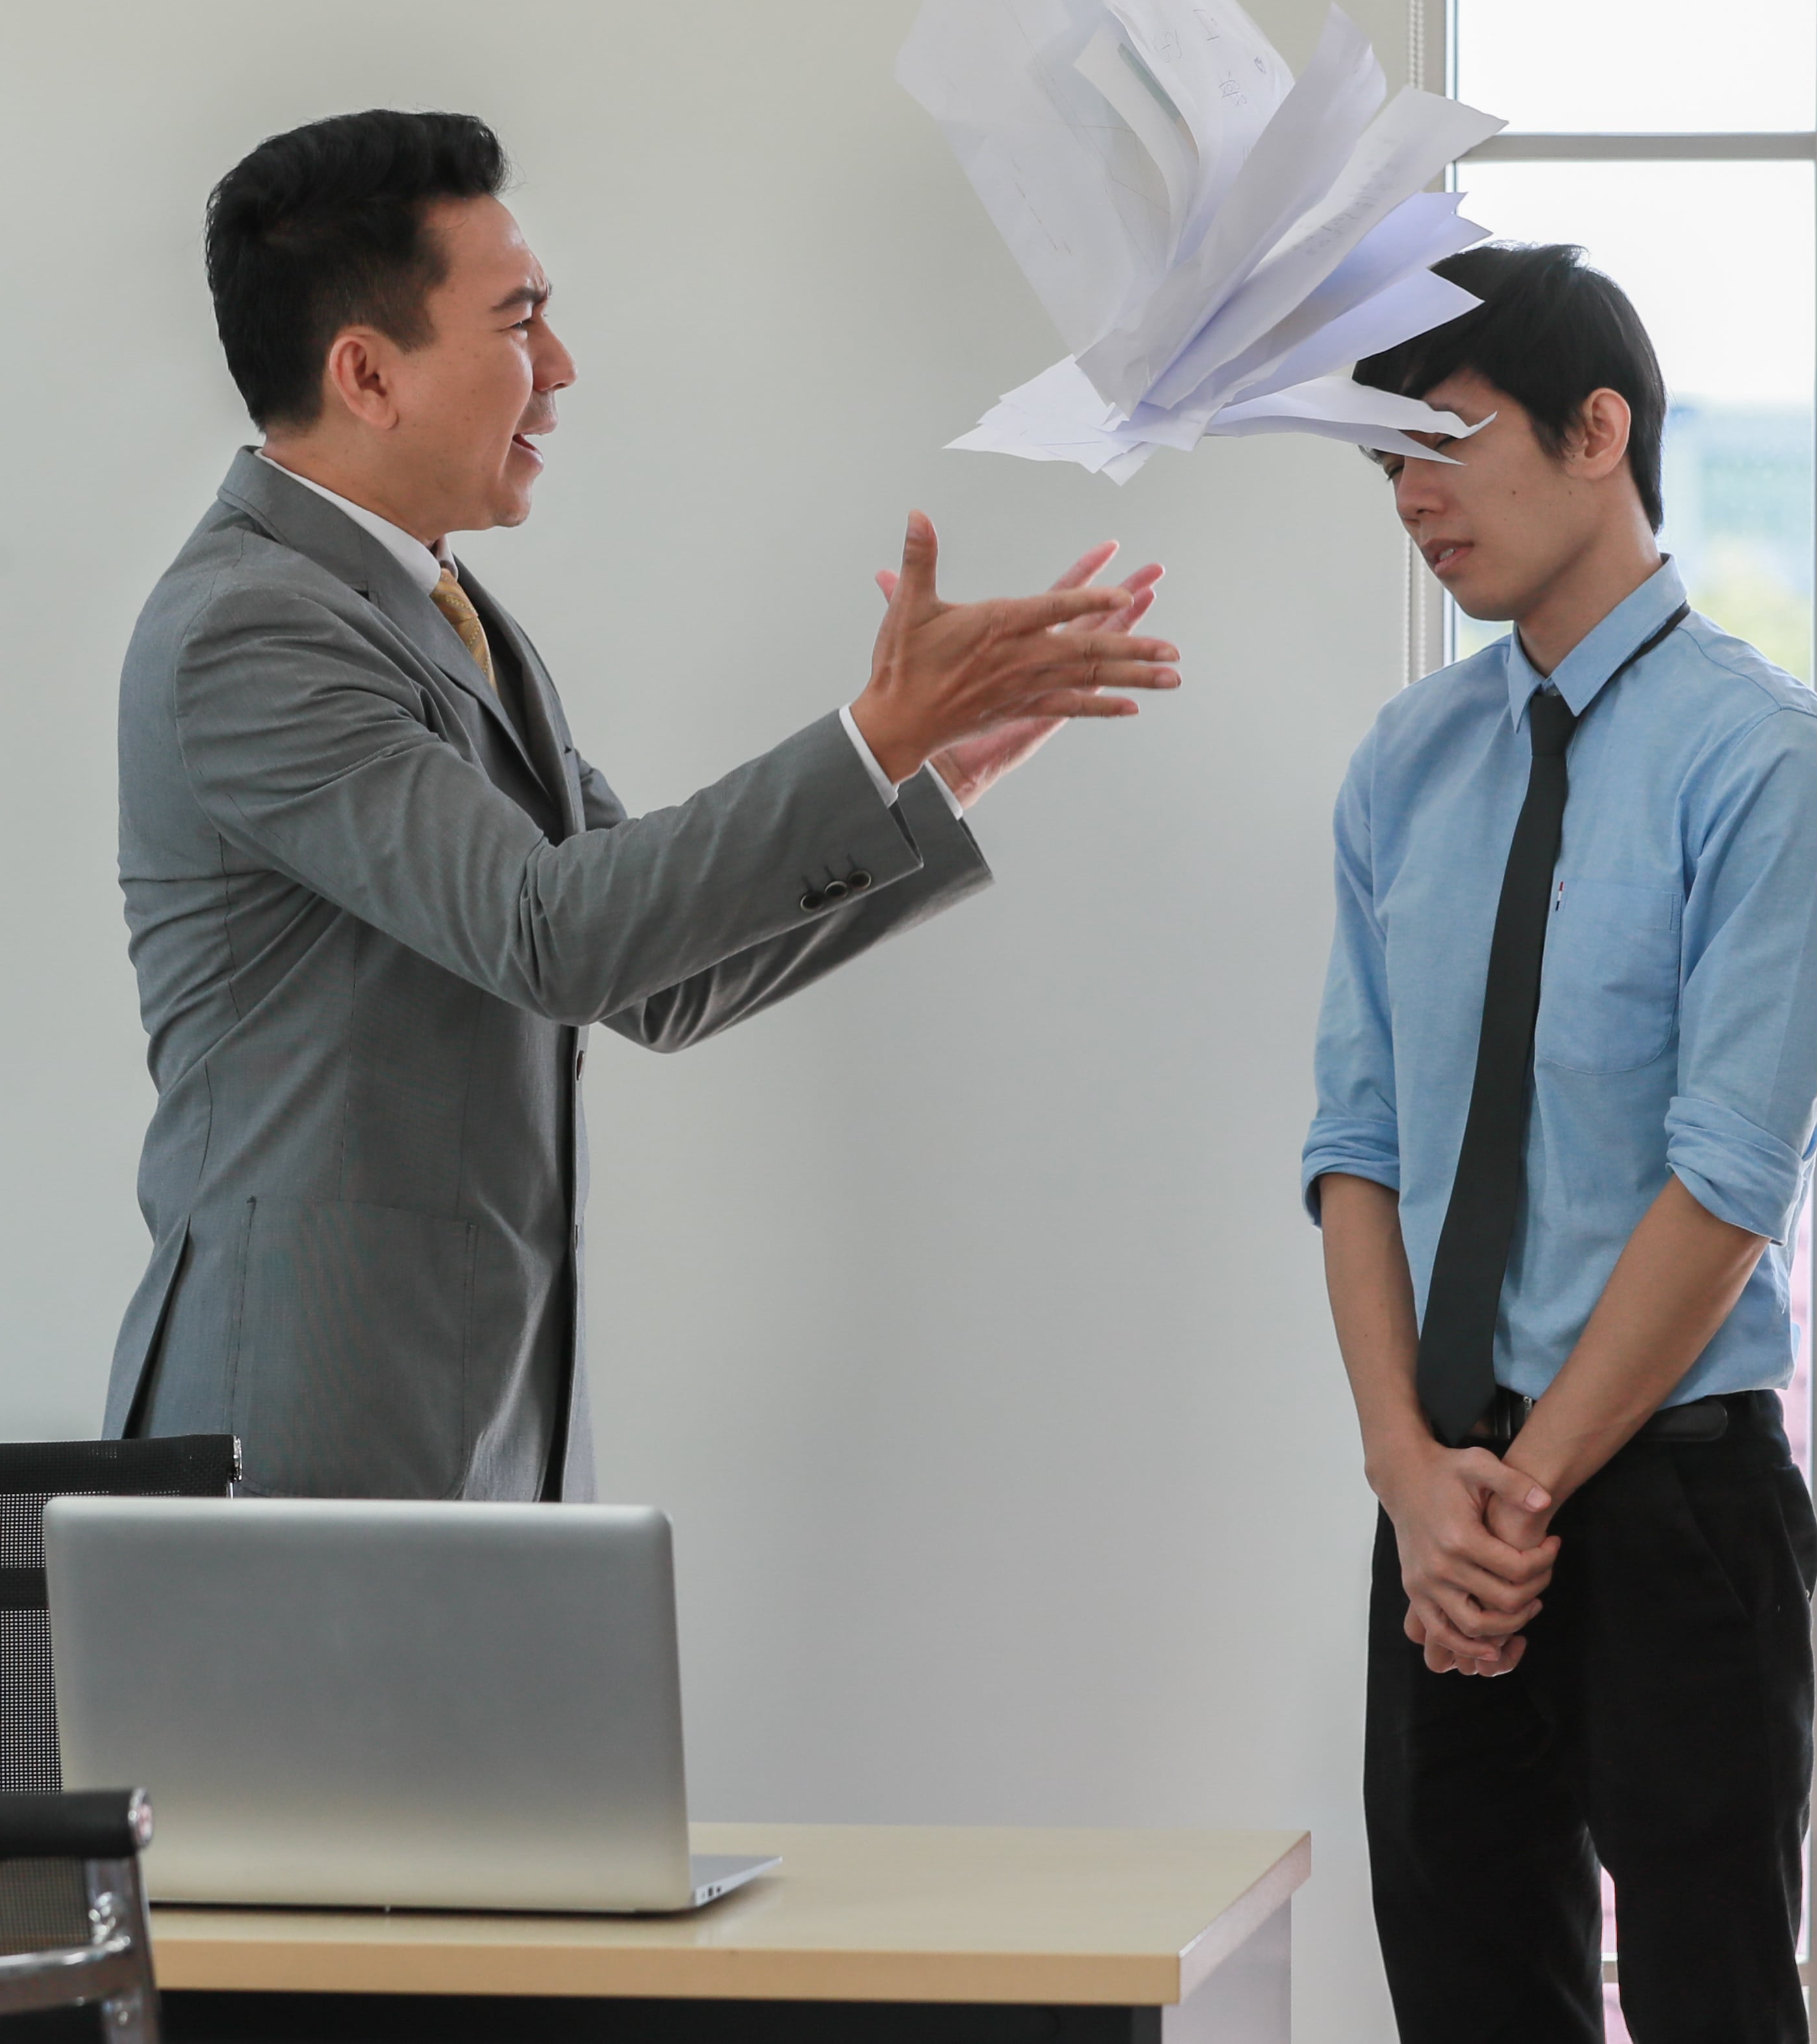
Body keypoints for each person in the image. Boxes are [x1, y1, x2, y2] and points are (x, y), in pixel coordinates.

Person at [105, 109, 1180, 1500]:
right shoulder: (249, 630)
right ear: (367, 372)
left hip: (483, 1420)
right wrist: (877, 731)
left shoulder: (438, 609)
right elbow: (554, 933)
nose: (559, 370)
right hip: (306, 1426)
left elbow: (650, 973)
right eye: (519, 321)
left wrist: (934, 767)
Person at [1302, 243, 1817, 2042]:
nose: (1410, 494)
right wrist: (1411, 1476)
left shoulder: (1768, 763)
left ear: (1595, 431)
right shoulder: (1406, 763)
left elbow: (1725, 1179)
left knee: (1715, 2006)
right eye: (1381, 461)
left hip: (1663, 1503)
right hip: (1437, 1495)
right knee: (1467, 2005)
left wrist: (1520, 1495)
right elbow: (1354, 1144)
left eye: (1445, 441)